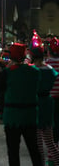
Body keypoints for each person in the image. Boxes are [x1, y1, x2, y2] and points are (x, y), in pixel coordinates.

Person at [0, 43, 43, 166]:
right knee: (34, 149)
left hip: (12, 116)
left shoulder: (7, 73)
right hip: (30, 115)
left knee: (13, 151)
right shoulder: (35, 71)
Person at [30, 31, 59, 166]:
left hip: (37, 105)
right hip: (48, 103)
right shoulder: (50, 69)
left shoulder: (33, 70)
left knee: (38, 141)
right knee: (50, 140)